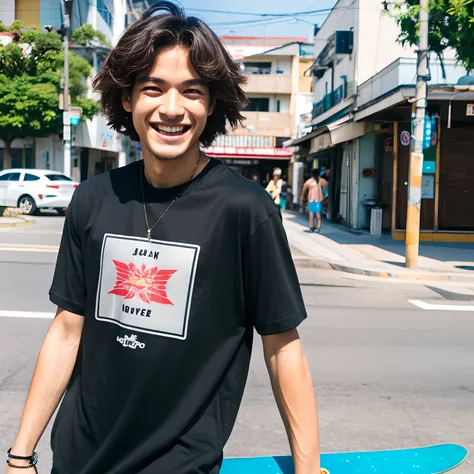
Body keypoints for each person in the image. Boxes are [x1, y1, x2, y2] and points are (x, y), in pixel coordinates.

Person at [6, 3, 321, 474]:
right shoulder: (93, 199)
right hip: (75, 458)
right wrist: (20, 453)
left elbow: (283, 346)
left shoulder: (245, 209)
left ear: (211, 105)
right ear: (129, 98)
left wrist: (308, 466)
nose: (171, 109)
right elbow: (68, 330)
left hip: (179, 464)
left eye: (191, 92)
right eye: (154, 88)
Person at [301, 168, 323, 233]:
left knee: (315, 214)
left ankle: (315, 227)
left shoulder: (318, 181)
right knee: (314, 214)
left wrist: (303, 197)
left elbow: (304, 189)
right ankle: (314, 227)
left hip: (315, 200)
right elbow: (304, 189)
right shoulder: (312, 181)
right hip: (314, 200)